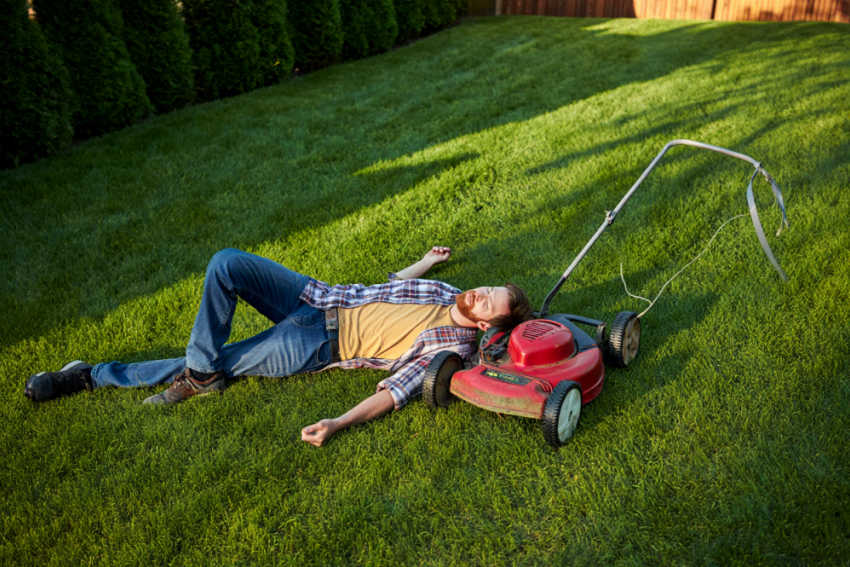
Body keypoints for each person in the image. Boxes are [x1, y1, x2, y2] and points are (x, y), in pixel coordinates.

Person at [24, 246, 533, 446]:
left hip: (315, 342)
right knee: (225, 263)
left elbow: (396, 392)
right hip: (315, 295)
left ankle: (90, 375)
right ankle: (202, 375)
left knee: (215, 360)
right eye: (489, 289)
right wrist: (426, 261)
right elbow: (391, 284)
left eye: (492, 305)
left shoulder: (452, 349)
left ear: (492, 326)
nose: (482, 296)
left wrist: (339, 422)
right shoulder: (445, 291)